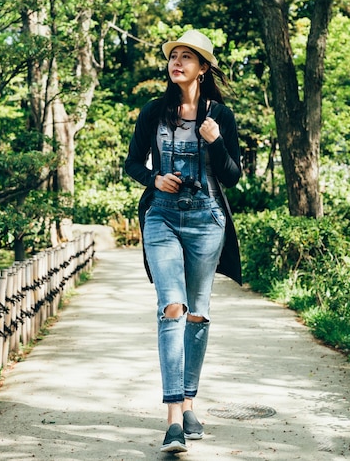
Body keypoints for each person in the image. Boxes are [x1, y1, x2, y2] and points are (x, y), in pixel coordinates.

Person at [125, 29, 242, 454]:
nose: (177, 62)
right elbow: (132, 163)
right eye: (173, 56)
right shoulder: (154, 112)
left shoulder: (220, 116)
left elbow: (232, 176)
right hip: (162, 217)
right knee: (172, 307)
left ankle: (190, 402)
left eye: (186, 57)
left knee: (198, 315)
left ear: (203, 68)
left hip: (208, 220)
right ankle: (174, 417)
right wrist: (155, 179)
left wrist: (216, 141)